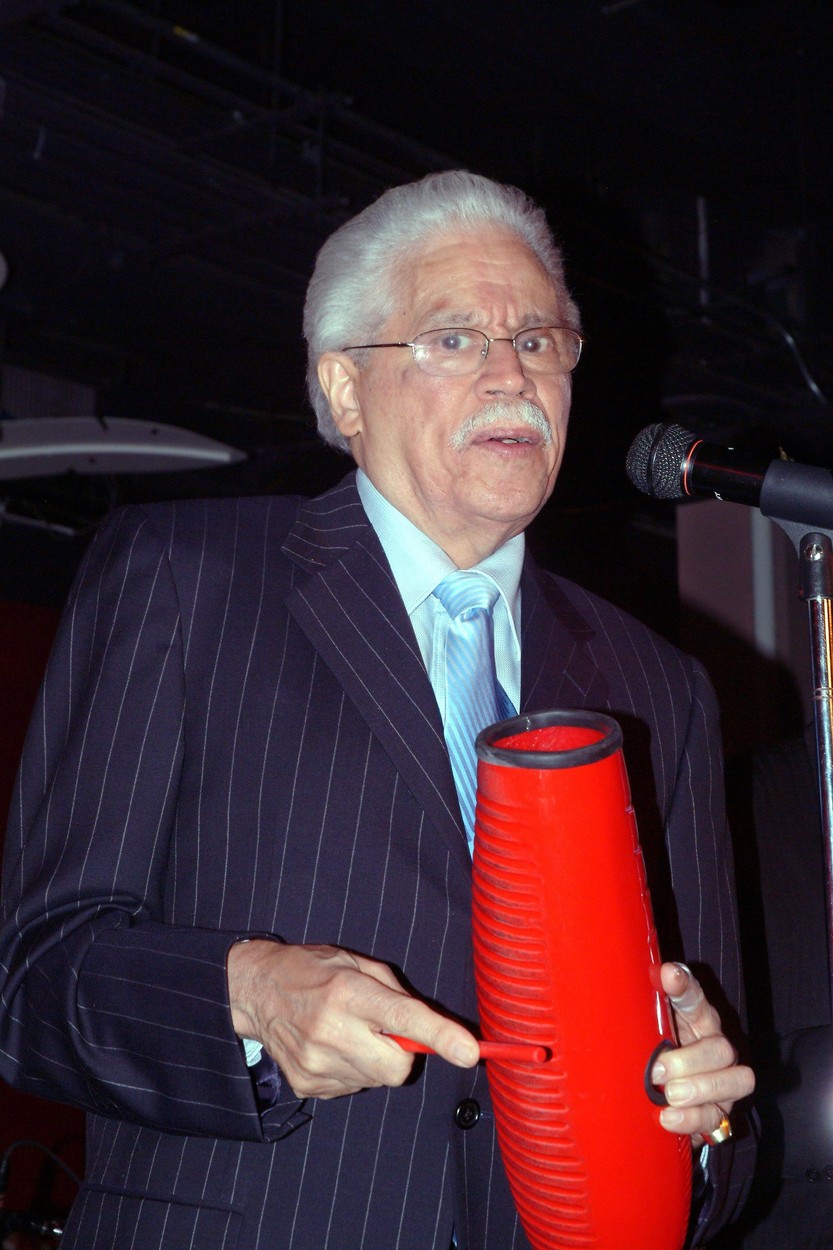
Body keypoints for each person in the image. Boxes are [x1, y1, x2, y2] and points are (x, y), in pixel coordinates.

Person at [0, 170, 754, 1249]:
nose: (511, 373)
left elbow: (722, 1120)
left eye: (538, 341)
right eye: (453, 339)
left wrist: (704, 1119)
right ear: (343, 389)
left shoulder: (657, 686)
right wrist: (248, 996)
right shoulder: (182, 576)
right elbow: (31, 980)